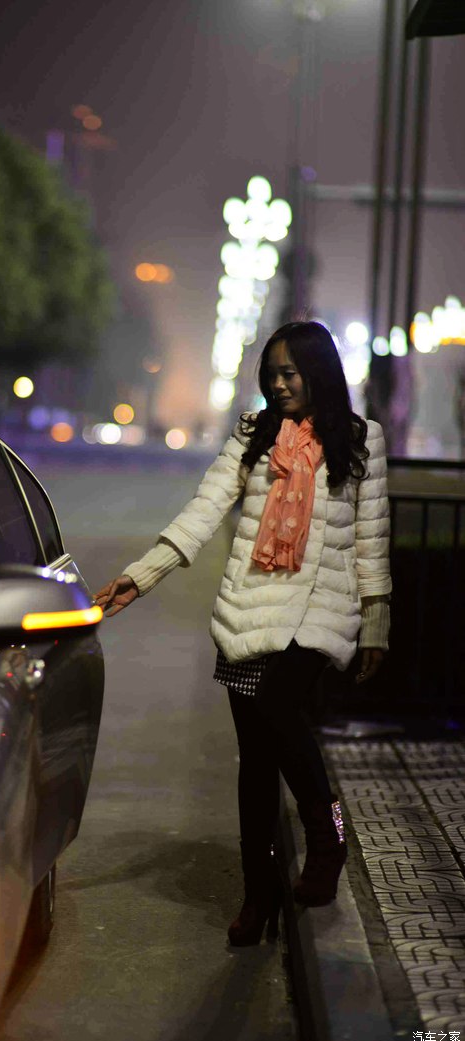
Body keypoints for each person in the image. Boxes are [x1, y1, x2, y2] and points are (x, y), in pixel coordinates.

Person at [94, 320, 391, 947]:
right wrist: (142, 576)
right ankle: (259, 893)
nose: (279, 384)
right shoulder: (254, 434)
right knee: (255, 761)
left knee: (280, 709)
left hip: (319, 606)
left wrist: (375, 622)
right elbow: (205, 508)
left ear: (318, 372)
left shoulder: (361, 439)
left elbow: (371, 539)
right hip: (249, 603)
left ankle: (330, 834)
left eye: (290, 372)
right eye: (272, 373)